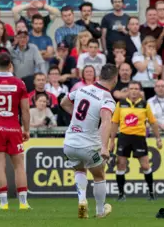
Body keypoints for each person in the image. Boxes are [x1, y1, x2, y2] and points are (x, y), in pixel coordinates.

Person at [60, 64, 117, 219]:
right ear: (115, 78)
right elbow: (106, 122)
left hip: (70, 143)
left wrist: (76, 117)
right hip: (89, 145)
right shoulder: (107, 98)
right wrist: (104, 147)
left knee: (80, 170)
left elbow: (63, 102)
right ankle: (99, 211)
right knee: (99, 175)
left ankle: (82, 201)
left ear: (99, 75)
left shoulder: (82, 89)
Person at [0, 53, 31, 210]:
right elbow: (25, 110)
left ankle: (3, 203)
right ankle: (23, 202)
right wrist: (27, 129)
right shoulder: (19, 83)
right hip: (13, 126)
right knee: (19, 165)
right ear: (10, 64)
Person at [109, 81, 161, 201]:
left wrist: (158, 138)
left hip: (139, 137)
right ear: (127, 91)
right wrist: (111, 141)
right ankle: (121, 194)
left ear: (140, 91)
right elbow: (115, 122)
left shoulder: (144, 104)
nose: (133, 91)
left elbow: (153, 122)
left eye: (136, 89)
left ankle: (151, 193)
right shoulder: (121, 104)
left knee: (145, 165)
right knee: (120, 164)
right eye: (131, 88)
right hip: (124, 137)